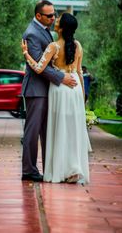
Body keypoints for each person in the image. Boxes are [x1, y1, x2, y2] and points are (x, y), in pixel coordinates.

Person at [22, 13, 92, 183]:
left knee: (59, 129)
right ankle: (74, 168)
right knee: (72, 129)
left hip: (60, 89)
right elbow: (80, 74)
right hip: (75, 88)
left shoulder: (54, 46)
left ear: (61, 28)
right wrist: (83, 98)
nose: (55, 20)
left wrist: (26, 54)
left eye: (58, 20)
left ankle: (60, 171)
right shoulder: (78, 45)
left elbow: (38, 68)